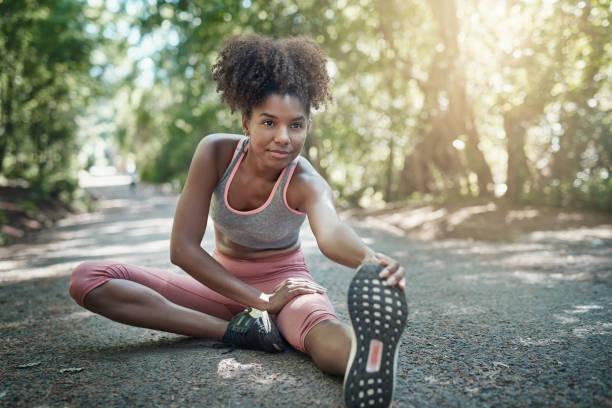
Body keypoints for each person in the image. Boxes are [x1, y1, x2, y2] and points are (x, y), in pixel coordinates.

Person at [68, 35, 407, 407]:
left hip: (286, 289)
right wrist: (259, 302)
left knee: (319, 332)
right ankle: (238, 332)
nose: (283, 138)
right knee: (89, 279)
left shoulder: (306, 181)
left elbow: (332, 234)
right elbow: (182, 249)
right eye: (269, 122)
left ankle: (367, 358)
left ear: (308, 126)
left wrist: (370, 259)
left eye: (296, 125)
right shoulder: (215, 153)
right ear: (245, 122)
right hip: (218, 288)